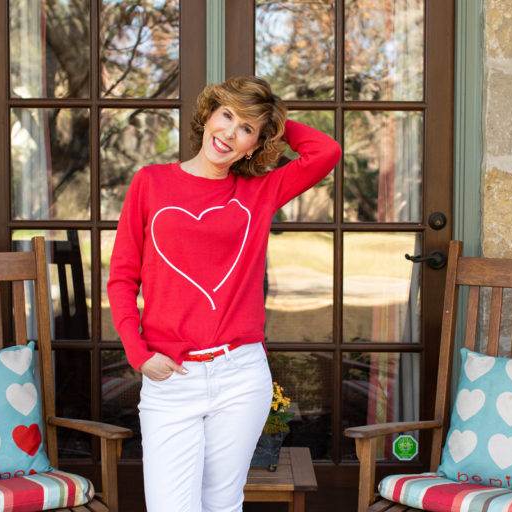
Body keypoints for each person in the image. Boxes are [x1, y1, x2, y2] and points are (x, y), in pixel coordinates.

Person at [107, 75, 342, 512]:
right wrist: (138, 354)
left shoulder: (259, 192)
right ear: (209, 115)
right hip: (171, 377)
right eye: (227, 115)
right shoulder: (151, 183)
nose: (230, 133)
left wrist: (273, 121)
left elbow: (326, 152)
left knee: (222, 503)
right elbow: (121, 278)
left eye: (245, 129)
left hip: (239, 375)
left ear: (254, 145)